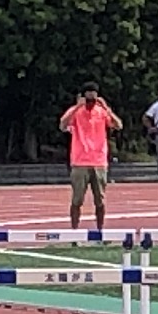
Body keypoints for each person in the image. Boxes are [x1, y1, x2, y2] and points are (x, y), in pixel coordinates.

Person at [59, 82, 123, 230]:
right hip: (80, 161)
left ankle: (100, 230)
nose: (90, 103)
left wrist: (106, 108)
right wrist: (76, 107)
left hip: (99, 161)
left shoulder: (101, 112)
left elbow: (118, 125)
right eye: (88, 100)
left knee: (100, 200)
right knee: (77, 200)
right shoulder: (76, 112)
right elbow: (62, 125)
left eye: (93, 100)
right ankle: (74, 232)